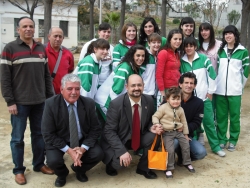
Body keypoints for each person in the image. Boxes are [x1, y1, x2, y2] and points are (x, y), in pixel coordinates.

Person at [0, 16, 54, 185]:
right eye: (25, 26)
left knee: (39, 135)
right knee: (17, 138)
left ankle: (39, 164)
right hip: (20, 103)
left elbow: (46, 76)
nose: (28, 29)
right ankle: (18, 170)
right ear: (18, 29)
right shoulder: (10, 48)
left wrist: (49, 97)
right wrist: (10, 101)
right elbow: (5, 79)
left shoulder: (40, 49)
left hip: (40, 102)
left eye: (31, 26)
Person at [41, 74, 103, 187]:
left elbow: (95, 128)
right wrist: (69, 150)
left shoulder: (88, 103)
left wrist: (83, 148)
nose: (74, 92)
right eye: (69, 89)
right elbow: (47, 133)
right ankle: (62, 174)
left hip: (81, 140)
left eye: (77, 89)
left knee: (98, 154)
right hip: (60, 140)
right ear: (61, 89)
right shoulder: (51, 104)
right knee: (53, 161)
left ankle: (79, 170)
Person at [101, 74, 163, 179]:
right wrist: (121, 151)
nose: (136, 88)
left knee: (155, 136)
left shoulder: (149, 100)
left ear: (143, 86)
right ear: (127, 87)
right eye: (133, 85)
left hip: (138, 137)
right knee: (120, 164)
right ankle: (111, 165)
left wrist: (151, 127)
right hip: (121, 139)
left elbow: (149, 120)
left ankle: (143, 168)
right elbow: (109, 131)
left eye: (139, 85)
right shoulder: (116, 104)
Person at [180, 37, 226, 157]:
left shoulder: (203, 58)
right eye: (186, 46)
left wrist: (210, 91)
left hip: (204, 99)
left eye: (191, 46)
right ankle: (192, 148)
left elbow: (212, 75)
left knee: (209, 123)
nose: (189, 48)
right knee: (192, 123)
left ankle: (215, 147)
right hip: (189, 100)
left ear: (195, 46)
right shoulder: (181, 62)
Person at [215, 25, 249, 152]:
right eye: (226, 34)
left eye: (230, 33)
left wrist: (240, 86)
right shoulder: (220, 51)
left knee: (234, 117)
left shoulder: (242, 51)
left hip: (235, 91)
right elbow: (218, 69)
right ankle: (222, 140)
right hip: (220, 90)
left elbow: (246, 71)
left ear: (235, 35)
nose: (228, 36)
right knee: (221, 117)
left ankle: (233, 140)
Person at [95, 44, 149, 119]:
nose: (141, 58)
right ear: (132, 55)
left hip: (113, 100)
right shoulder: (125, 67)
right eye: (138, 55)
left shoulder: (135, 68)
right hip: (106, 101)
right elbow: (116, 90)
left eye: (143, 56)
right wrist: (118, 109)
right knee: (114, 125)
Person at [152, 87, 195, 178]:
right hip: (167, 132)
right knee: (170, 150)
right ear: (167, 99)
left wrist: (186, 134)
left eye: (178, 99)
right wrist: (157, 124)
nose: (176, 101)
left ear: (181, 99)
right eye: (173, 99)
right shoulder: (163, 107)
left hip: (178, 132)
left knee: (186, 145)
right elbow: (155, 116)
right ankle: (169, 167)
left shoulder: (181, 109)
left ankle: (187, 162)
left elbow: (184, 122)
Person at [175, 73, 207, 163]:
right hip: (171, 134)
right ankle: (170, 159)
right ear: (180, 84)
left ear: (195, 85)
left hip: (187, 135)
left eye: (191, 83)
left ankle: (183, 157)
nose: (189, 85)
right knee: (175, 143)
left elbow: (197, 122)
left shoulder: (199, 103)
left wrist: (184, 129)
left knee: (201, 152)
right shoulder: (171, 98)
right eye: (186, 83)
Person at [156, 29, 183, 103]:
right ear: (170, 39)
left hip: (176, 89)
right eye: (175, 39)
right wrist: (163, 93)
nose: (178, 41)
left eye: (180, 39)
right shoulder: (164, 53)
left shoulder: (177, 54)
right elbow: (159, 74)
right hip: (165, 90)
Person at [46, 27, 74, 94]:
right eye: (55, 36)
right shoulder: (42, 51)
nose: (58, 39)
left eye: (60, 37)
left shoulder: (68, 53)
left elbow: (70, 70)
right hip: (46, 93)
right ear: (49, 37)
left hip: (62, 93)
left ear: (63, 38)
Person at [142, 33, 161, 97]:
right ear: (149, 43)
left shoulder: (158, 56)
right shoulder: (145, 56)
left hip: (154, 91)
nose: (156, 45)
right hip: (145, 91)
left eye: (158, 42)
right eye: (154, 42)